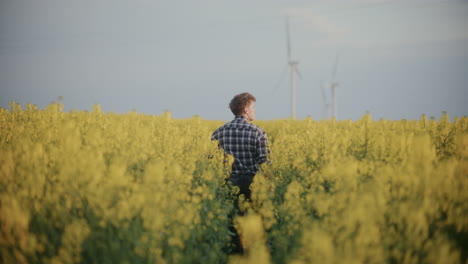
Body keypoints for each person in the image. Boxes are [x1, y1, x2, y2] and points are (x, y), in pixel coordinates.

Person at [211, 92, 269, 200]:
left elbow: (212, 163)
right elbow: (264, 162)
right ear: (246, 110)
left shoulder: (218, 133)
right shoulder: (258, 132)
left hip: (227, 185)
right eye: (253, 107)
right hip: (251, 187)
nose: (255, 110)